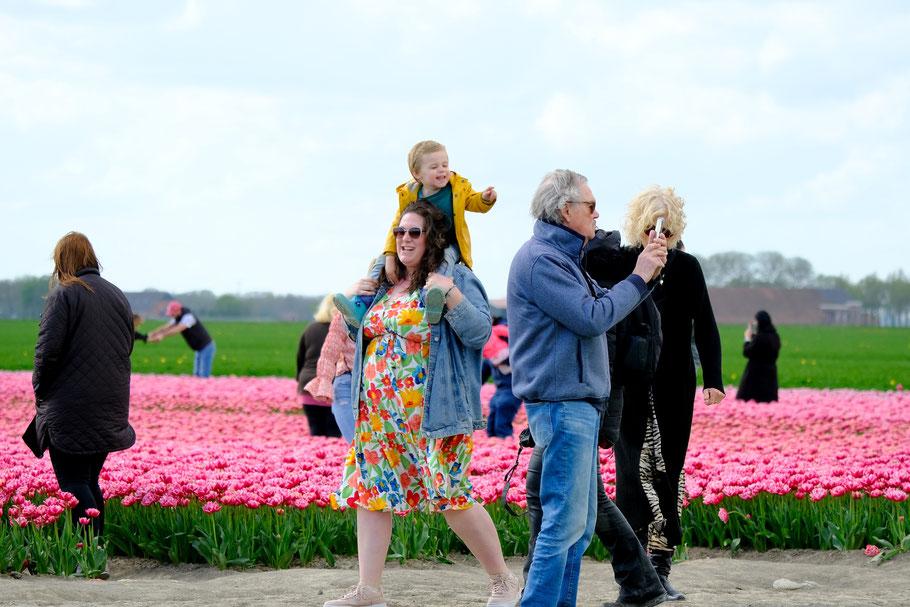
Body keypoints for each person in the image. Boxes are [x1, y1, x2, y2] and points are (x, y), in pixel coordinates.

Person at [324, 201, 520, 607]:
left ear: (434, 238)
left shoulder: (455, 276)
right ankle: (369, 590)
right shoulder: (385, 283)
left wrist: (449, 296)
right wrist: (350, 298)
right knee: (371, 495)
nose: (404, 239)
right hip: (378, 414)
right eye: (399, 232)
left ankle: (503, 581)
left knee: (451, 494)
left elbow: (481, 333)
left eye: (414, 232)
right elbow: (362, 331)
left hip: (433, 412)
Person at [507, 170, 667, 607]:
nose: (598, 214)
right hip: (562, 405)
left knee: (577, 525)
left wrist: (644, 273)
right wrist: (639, 276)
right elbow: (592, 317)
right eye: (590, 206)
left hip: (576, 404)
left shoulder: (564, 257)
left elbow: (604, 304)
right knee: (563, 524)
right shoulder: (543, 260)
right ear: (565, 211)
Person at [615, 185, 726, 601]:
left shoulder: (688, 267)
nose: (656, 236)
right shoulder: (624, 263)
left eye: (663, 228)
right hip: (630, 383)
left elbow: (706, 324)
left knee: (670, 471)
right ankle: (636, 570)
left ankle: (660, 568)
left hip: (675, 382)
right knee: (632, 472)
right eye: (648, 228)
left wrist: (713, 377)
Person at [30, 232, 136, 579]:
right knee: (90, 480)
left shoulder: (65, 293)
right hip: (111, 402)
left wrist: (40, 388)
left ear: (62, 260)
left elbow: (48, 351)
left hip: (71, 404)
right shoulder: (116, 294)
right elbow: (126, 348)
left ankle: (88, 559)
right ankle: (97, 555)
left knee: (73, 482)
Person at [334, 140, 497, 327]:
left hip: (449, 243)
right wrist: (389, 256)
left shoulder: (457, 188)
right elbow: (397, 225)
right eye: (434, 167)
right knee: (381, 260)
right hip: (422, 246)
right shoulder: (411, 194)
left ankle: (432, 298)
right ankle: (361, 301)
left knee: (444, 260)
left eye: (445, 164)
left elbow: (472, 201)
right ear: (417, 174)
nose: (442, 170)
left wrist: (485, 199)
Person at [304, 309, 357, 442]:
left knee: (318, 430)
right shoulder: (349, 312)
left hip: (331, 380)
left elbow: (303, 357)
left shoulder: (311, 328)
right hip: (346, 381)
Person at [297, 295, 343, 438]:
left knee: (315, 431)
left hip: (308, 386)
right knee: (334, 433)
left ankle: (315, 460)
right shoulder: (343, 329)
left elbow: (300, 358)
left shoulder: (310, 329)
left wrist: (300, 380)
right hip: (332, 385)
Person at [147, 300, 216, 378]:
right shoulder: (177, 317)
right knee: (197, 374)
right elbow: (167, 327)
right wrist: (152, 334)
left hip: (206, 346)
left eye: (172, 313)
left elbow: (178, 329)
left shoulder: (188, 317)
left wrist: (162, 336)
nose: (171, 315)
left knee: (203, 375)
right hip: (199, 348)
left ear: (178, 310)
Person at [483, 320, 522, 439]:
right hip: (501, 386)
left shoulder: (504, 330)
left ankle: (503, 435)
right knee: (494, 405)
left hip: (513, 385)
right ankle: (492, 434)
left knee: (504, 405)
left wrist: (503, 359)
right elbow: (485, 368)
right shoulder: (488, 338)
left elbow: (518, 353)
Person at [737, 310, 780, 403]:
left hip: (755, 377)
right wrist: (754, 337)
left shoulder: (759, 337)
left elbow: (747, 352)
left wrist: (747, 338)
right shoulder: (775, 336)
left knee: (752, 401)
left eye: (756, 321)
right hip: (770, 377)